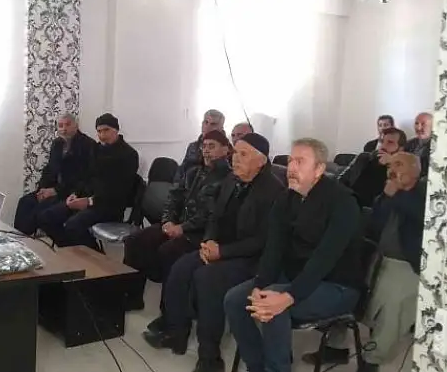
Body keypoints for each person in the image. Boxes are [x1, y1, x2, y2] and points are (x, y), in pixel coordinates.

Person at [142, 133, 284, 370]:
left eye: (243, 154)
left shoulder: (274, 191)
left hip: (252, 258)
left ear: (261, 161)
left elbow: (262, 240)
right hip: (220, 248)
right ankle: (176, 333)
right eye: (235, 153)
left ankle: (210, 357)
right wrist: (208, 241)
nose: (235, 159)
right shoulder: (231, 180)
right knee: (180, 268)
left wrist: (222, 252)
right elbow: (214, 217)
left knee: (207, 278)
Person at [225, 138, 362, 372]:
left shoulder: (343, 202)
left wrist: (289, 296)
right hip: (296, 276)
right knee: (235, 299)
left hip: (337, 285)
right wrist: (260, 284)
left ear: (319, 169)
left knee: (274, 305)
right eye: (290, 161)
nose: (291, 168)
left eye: (300, 161)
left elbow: (323, 260)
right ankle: (257, 366)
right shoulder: (287, 198)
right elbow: (274, 248)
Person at [302, 152, 425, 372]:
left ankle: (371, 360)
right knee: (342, 284)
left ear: (415, 170)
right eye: (390, 165)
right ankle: (336, 346)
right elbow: (373, 226)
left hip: (406, 263)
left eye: (399, 164)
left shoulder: (426, 193)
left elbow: (420, 215)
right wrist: (387, 197)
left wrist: (395, 196)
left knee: (392, 309)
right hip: (376, 256)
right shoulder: (386, 194)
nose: (392, 170)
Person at [123, 130, 232, 310]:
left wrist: (183, 227)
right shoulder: (193, 172)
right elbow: (173, 198)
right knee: (135, 241)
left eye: (212, 146)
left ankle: (169, 310)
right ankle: (131, 297)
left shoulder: (228, 178)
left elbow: (211, 214)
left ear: (225, 149)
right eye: (204, 146)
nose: (206, 150)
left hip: (201, 233)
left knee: (169, 251)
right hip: (177, 224)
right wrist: (168, 221)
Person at [37, 113, 139, 250]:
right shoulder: (96, 149)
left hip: (109, 206)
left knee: (73, 225)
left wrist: (90, 201)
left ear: (116, 130)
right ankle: (72, 251)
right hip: (86, 200)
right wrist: (75, 194)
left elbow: (118, 190)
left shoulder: (128, 154)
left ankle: (96, 257)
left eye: (106, 130)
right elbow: (86, 177)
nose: (102, 135)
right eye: (99, 131)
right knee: (46, 218)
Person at [14, 113, 94, 236]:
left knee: (39, 210)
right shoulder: (57, 144)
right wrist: (42, 189)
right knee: (25, 202)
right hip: (54, 189)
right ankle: (18, 237)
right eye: (60, 126)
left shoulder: (87, 145)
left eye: (68, 125)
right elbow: (50, 169)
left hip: (72, 193)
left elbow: (81, 177)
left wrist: (55, 191)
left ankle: (26, 237)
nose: (64, 129)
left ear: (76, 125)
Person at [339, 127, 406, 208]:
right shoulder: (364, 158)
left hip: (374, 211)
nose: (383, 146)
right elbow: (340, 181)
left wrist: (391, 163)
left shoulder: (402, 170)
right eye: (382, 141)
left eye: (390, 142)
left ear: (400, 149)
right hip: (349, 203)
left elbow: (397, 199)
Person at [175, 109, 225, 183]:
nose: (208, 127)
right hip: (188, 186)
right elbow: (182, 170)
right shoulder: (193, 146)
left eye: (213, 124)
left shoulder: (225, 148)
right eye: (206, 122)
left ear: (221, 128)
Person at [405, 112, 433, 177]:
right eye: (416, 123)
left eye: (423, 124)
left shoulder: (439, 147)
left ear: (433, 126)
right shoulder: (408, 143)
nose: (418, 128)